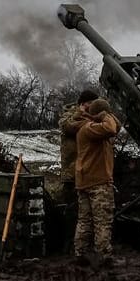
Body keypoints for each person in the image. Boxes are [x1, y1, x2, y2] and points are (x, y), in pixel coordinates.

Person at [73, 97, 122, 265]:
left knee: (84, 220)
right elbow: (111, 128)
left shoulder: (86, 128)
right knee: (102, 221)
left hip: (86, 181)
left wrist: (104, 114)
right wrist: (104, 115)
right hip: (98, 182)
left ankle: (81, 253)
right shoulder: (91, 129)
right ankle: (104, 256)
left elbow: (117, 126)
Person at [57, 89, 99, 254]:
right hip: (72, 173)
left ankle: (85, 245)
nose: (92, 108)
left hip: (89, 173)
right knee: (72, 212)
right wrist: (87, 118)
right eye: (90, 104)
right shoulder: (69, 116)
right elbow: (69, 127)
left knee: (88, 213)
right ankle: (68, 245)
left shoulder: (89, 116)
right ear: (83, 104)